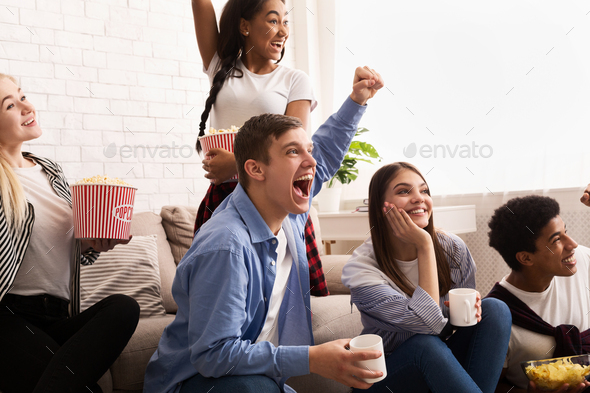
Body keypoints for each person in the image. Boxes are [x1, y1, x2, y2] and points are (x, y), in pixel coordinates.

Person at [143, 66, 384, 393]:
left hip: (250, 379)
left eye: (307, 150)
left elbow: (324, 154)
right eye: (293, 152)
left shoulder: (287, 212)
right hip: (195, 385)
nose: (310, 162)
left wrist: (357, 100)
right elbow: (213, 356)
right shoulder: (227, 245)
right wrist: (311, 358)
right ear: (255, 169)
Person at [0, 73, 140, 393]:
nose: (26, 106)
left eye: (22, 96)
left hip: (56, 316)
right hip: (7, 317)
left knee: (123, 307)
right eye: (11, 105)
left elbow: (67, 243)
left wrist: (93, 242)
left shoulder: (51, 170)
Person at [191, 0, 329, 297]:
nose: (283, 31)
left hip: (274, 199)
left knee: (284, 294)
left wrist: (235, 164)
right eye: (272, 21)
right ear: (244, 26)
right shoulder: (221, 69)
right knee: (219, 292)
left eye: (286, 22)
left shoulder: (294, 80)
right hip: (224, 196)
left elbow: (295, 148)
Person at [341, 162, 512, 393]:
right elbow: (428, 325)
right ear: (381, 207)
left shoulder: (453, 249)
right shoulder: (361, 270)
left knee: (496, 309)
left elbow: (450, 327)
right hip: (385, 378)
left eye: (424, 191)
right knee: (424, 344)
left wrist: (464, 314)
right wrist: (424, 245)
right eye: (404, 191)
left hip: (437, 360)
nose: (419, 198)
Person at [487, 191, 590, 393]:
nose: (572, 244)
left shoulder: (582, 261)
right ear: (526, 258)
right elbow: (490, 387)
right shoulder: (497, 316)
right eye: (556, 240)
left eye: (566, 232)